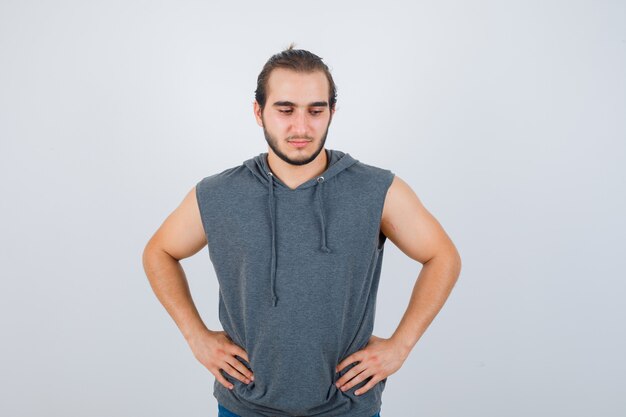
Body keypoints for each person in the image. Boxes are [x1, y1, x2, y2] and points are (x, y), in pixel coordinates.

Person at [142, 44, 462, 417]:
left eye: (315, 110)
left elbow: (443, 256)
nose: (301, 127)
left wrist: (400, 346)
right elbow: (159, 252)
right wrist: (195, 336)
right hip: (245, 405)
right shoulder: (219, 193)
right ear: (258, 112)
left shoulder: (377, 190)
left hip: (347, 406)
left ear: (331, 112)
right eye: (285, 109)